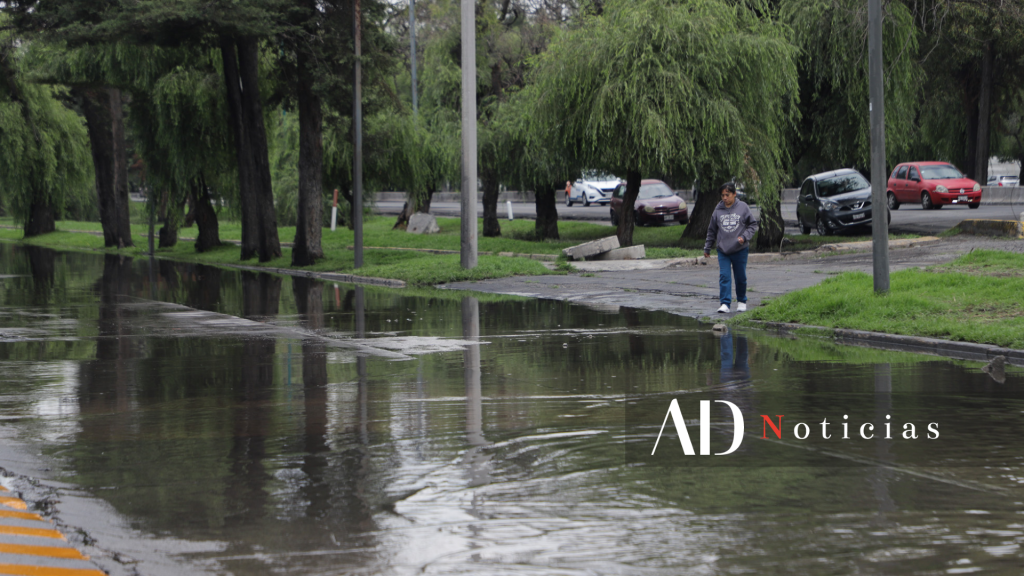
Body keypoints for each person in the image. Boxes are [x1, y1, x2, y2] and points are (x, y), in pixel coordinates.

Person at [704, 182, 758, 313]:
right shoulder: (718, 209)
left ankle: (741, 301)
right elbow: (712, 230)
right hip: (723, 250)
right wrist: (707, 247)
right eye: (722, 195)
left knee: (740, 277)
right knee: (724, 276)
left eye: (727, 195)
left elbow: (753, 225)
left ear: (734, 194)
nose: (724, 198)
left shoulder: (743, 207)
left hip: (740, 249)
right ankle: (725, 304)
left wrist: (744, 237)